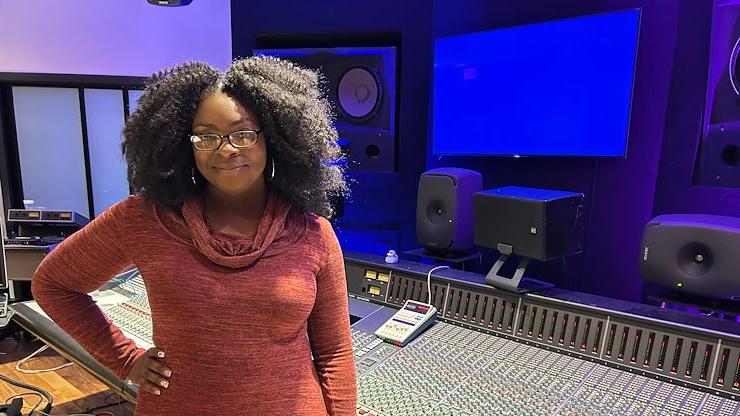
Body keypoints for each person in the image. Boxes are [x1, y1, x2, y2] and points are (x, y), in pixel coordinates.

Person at [31, 56, 356, 415]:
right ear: (184, 144)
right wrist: (125, 359)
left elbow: (334, 353)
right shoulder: (143, 219)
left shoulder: (313, 234)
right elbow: (54, 284)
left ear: (276, 139)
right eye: (206, 136)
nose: (226, 149)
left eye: (243, 133)